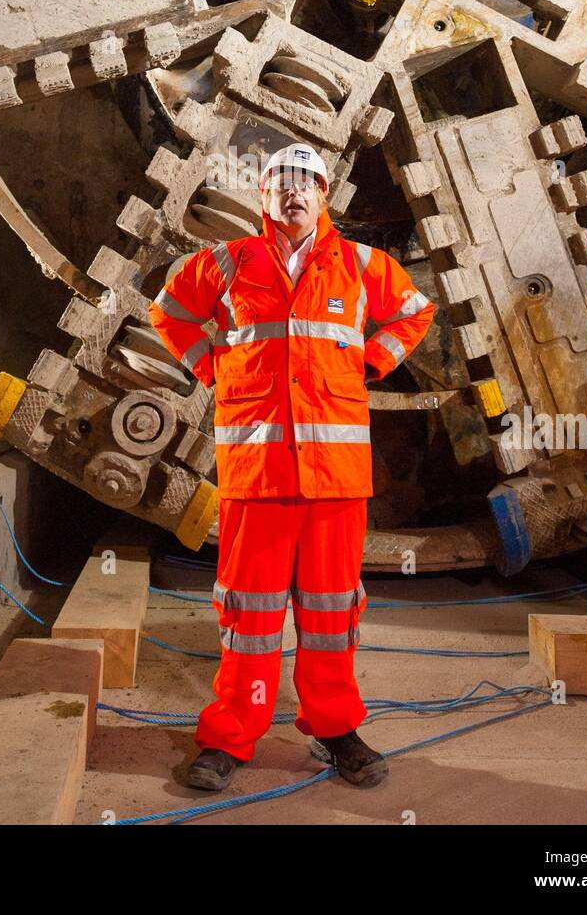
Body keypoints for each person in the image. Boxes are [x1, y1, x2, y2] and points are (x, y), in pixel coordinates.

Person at [148, 143, 435, 790]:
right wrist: (210, 366)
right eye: (280, 183)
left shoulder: (361, 267)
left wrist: (370, 360)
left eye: (305, 183)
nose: (293, 194)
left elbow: (415, 313)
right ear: (263, 196)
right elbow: (169, 311)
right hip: (257, 477)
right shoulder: (228, 264)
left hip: (335, 480)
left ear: (323, 193)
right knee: (247, 618)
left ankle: (335, 731)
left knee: (331, 615)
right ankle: (229, 737)